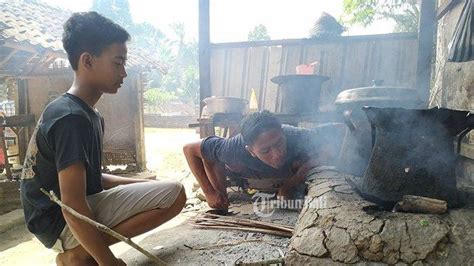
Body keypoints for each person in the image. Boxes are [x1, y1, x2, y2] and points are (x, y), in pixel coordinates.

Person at [20, 12, 185, 266]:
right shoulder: (71, 118)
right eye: (118, 62)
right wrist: (107, 261)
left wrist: (139, 184)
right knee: (175, 194)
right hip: (58, 221)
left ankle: (82, 250)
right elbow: (71, 204)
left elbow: (93, 177)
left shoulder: (86, 113)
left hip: (50, 219)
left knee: (166, 188)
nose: (125, 73)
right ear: (87, 61)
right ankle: (78, 254)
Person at [183, 110, 344, 210]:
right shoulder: (233, 147)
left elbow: (339, 131)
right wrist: (210, 193)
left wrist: (291, 183)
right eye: (265, 150)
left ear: (282, 133)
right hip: (245, 170)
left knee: (314, 157)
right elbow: (189, 149)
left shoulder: (298, 136)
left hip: (286, 172)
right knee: (218, 159)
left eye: (279, 143)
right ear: (250, 150)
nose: (277, 154)